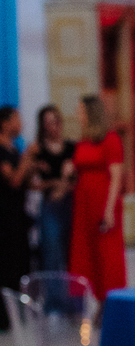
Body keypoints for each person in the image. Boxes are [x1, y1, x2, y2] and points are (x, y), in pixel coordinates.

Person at [69, 95, 126, 303]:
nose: (77, 115)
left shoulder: (110, 139)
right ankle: (91, 298)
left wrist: (109, 210)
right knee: (86, 253)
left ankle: (109, 301)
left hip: (102, 202)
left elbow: (116, 176)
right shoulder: (84, 141)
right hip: (83, 202)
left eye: (81, 111)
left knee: (106, 255)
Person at [0, 105, 35, 328]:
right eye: (17, 119)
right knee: (6, 264)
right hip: (4, 218)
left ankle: (17, 313)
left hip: (17, 216)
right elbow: (13, 180)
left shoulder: (12, 148)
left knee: (20, 263)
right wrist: (27, 158)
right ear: (5, 123)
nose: (21, 124)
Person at [31, 104, 76, 273]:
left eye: (56, 121)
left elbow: (76, 178)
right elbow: (32, 184)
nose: (53, 127)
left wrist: (64, 184)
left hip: (70, 202)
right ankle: (54, 297)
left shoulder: (71, 148)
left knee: (71, 251)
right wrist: (53, 184)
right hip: (50, 204)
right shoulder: (37, 150)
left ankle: (72, 295)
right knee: (52, 252)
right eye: (48, 123)